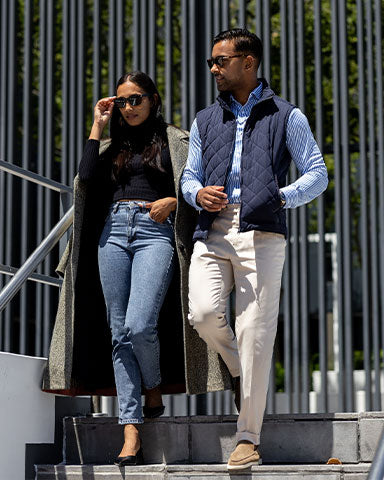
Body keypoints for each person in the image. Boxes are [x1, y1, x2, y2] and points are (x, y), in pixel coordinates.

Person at [181, 28, 328, 470]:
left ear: (248, 63)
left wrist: (280, 197)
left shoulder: (288, 115)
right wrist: (195, 194)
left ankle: (247, 437)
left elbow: (317, 174)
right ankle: (241, 367)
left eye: (220, 61)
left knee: (255, 333)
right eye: (211, 61)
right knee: (203, 314)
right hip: (213, 230)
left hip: (263, 232)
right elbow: (189, 175)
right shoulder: (205, 119)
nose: (213, 69)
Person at [42, 71, 198, 465]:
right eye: (122, 101)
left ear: (153, 99)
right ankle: (130, 428)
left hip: (154, 231)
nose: (129, 107)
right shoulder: (111, 147)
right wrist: (97, 125)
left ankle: (154, 386)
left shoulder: (176, 140)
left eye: (136, 99)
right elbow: (87, 180)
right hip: (112, 233)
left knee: (139, 325)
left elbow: (198, 189)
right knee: (118, 332)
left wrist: (175, 203)